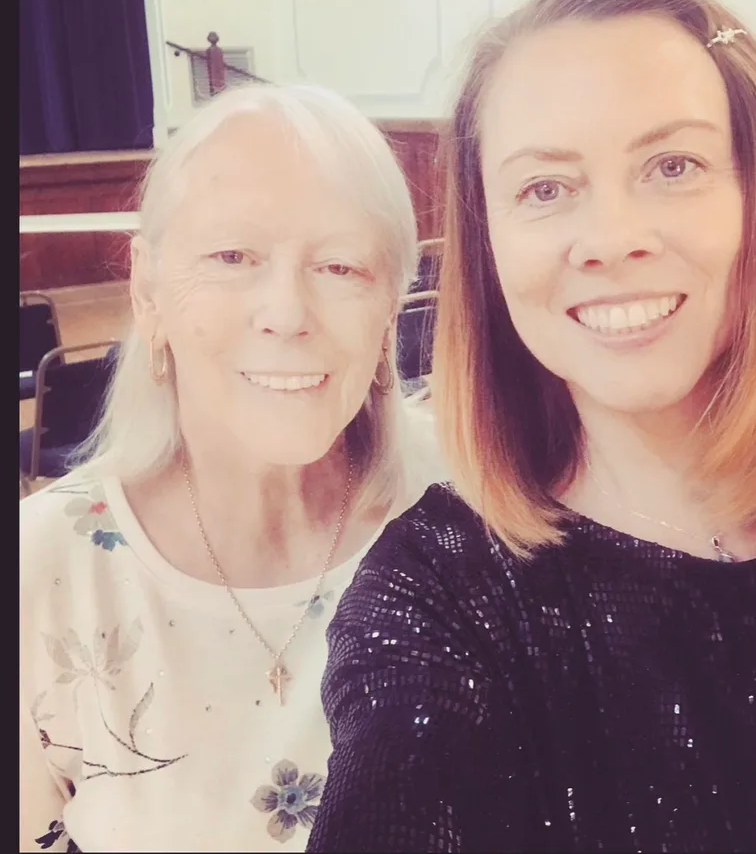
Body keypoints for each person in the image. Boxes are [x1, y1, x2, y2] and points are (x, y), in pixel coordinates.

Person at [307, 0, 756, 853]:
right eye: (545, 188)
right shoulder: (436, 598)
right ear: (489, 242)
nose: (610, 237)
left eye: (673, 166)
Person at [19, 84, 442, 853]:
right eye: (232, 255)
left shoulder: (479, 511)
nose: (286, 312)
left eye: (341, 266)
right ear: (148, 290)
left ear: (391, 303)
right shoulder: (39, 572)